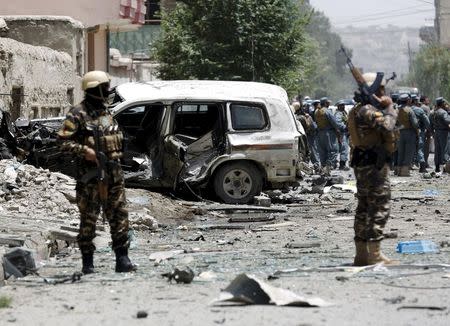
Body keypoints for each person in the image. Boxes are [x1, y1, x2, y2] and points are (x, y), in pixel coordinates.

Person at [57, 71, 135, 274]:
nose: (108, 90)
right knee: (89, 220)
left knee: (120, 217)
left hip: (114, 176)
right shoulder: (78, 114)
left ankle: (122, 259)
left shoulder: (106, 113)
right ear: (96, 89)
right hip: (90, 178)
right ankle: (87, 263)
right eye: (105, 87)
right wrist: (85, 151)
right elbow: (62, 142)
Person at [347, 72, 398, 266]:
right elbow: (387, 127)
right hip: (373, 165)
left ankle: (361, 255)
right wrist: (390, 108)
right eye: (381, 89)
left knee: (365, 207)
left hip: (364, 163)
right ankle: (374, 254)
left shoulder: (360, 109)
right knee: (379, 206)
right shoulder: (367, 110)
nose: (384, 92)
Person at [314, 97, 340, 171]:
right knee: (333, 150)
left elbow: (316, 122)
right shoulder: (327, 111)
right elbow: (334, 122)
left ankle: (323, 166)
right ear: (325, 103)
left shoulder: (316, 111)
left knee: (322, 151)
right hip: (329, 133)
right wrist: (338, 131)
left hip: (320, 133)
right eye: (328, 102)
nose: (329, 103)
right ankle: (329, 166)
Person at [396, 93, 419, 176]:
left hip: (399, 133)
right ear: (407, 101)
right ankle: (405, 171)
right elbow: (415, 124)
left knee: (400, 152)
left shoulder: (396, 109)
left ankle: (398, 170)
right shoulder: (409, 110)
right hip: (409, 133)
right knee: (408, 152)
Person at [411, 95, 430, 173]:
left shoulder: (404, 109)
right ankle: (422, 166)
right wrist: (429, 130)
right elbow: (427, 122)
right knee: (419, 149)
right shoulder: (419, 110)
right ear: (415, 101)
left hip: (408, 132)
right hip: (419, 132)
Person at [430, 97, 450, 172]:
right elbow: (447, 120)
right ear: (442, 103)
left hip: (436, 132)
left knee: (437, 150)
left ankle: (437, 167)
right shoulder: (443, 112)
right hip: (444, 132)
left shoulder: (432, 112)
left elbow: (430, 124)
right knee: (445, 149)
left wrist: (432, 132)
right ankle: (445, 167)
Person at [334, 100, 350, 170]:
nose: (343, 106)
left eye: (343, 105)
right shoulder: (338, 114)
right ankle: (342, 165)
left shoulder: (343, 113)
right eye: (341, 105)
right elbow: (338, 123)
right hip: (341, 133)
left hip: (344, 133)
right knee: (344, 149)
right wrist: (345, 127)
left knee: (344, 149)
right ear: (338, 106)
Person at [420, 96, 432, 168]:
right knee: (426, 148)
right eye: (427, 100)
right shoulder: (426, 108)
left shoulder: (418, 107)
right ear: (424, 101)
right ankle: (425, 163)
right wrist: (429, 130)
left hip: (418, 130)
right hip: (425, 130)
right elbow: (428, 120)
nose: (429, 101)